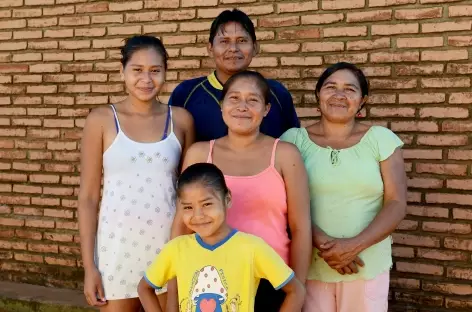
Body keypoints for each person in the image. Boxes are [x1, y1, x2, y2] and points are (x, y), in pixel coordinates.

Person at [174, 70, 312, 311]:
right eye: (234, 98)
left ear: (267, 109)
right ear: (221, 105)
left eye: (253, 99)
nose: (242, 106)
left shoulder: (285, 154)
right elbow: (182, 227)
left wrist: (296, 294)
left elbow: (300, 228)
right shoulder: (199, 153)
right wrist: (172, 295)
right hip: (208, 283)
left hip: (271, 282)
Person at [78, 35, 194, 312]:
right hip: (116, 250)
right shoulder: (101, 120)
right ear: (122, 72)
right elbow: (89, 198)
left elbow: (189, 192)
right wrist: (89, 266)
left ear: (166, 73)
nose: (146, 79)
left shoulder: (180, 119)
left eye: (155, 70)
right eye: (137, 70)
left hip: (169, 246)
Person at [280, 62, 407, 312]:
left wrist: (353, 246)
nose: (339, 95)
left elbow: (396, 203)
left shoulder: (381, 140)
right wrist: (326, 245)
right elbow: (283, 202)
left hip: (365, 265)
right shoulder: (292, 141)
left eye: (350, 89)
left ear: (362, 101)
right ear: (318, 96)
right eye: (331, 87)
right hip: (311, 264)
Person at [138, 162, 305, 312]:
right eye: (188, 207)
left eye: (207, 204)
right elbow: (144, 288)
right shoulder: (176, 249)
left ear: (228, 199)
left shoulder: (252, 248)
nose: (198, 215)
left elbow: (296, 291)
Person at [168, 9, 300, 142]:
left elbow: (292, 143)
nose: (233, 48)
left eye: (242, 41)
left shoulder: (276, 93)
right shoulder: (185, 93)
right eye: (224, 41)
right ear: (210, 48)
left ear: (255, 48)